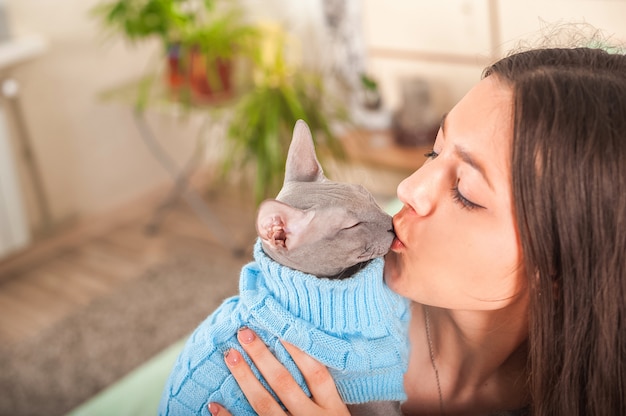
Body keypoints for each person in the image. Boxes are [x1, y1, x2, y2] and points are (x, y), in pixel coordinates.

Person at [206, 45, 626, 415]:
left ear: (558, 267)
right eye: (434, 150)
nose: (409, 187)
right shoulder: (299, 335)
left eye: (465, 192)